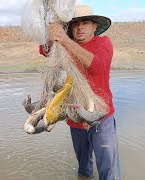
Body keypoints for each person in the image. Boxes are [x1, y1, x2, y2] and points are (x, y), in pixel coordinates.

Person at [40, 5, 121, 180]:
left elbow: (97, 66)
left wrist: (65, 40)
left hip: (101, 118)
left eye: (85, 22)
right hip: (75, 117)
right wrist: (52, 28)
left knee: (108, 170)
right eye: (75, 24)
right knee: (83, 169)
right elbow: (44, 49)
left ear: (94, 26)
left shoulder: (103, 43)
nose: (79, 27)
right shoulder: (62, 45)